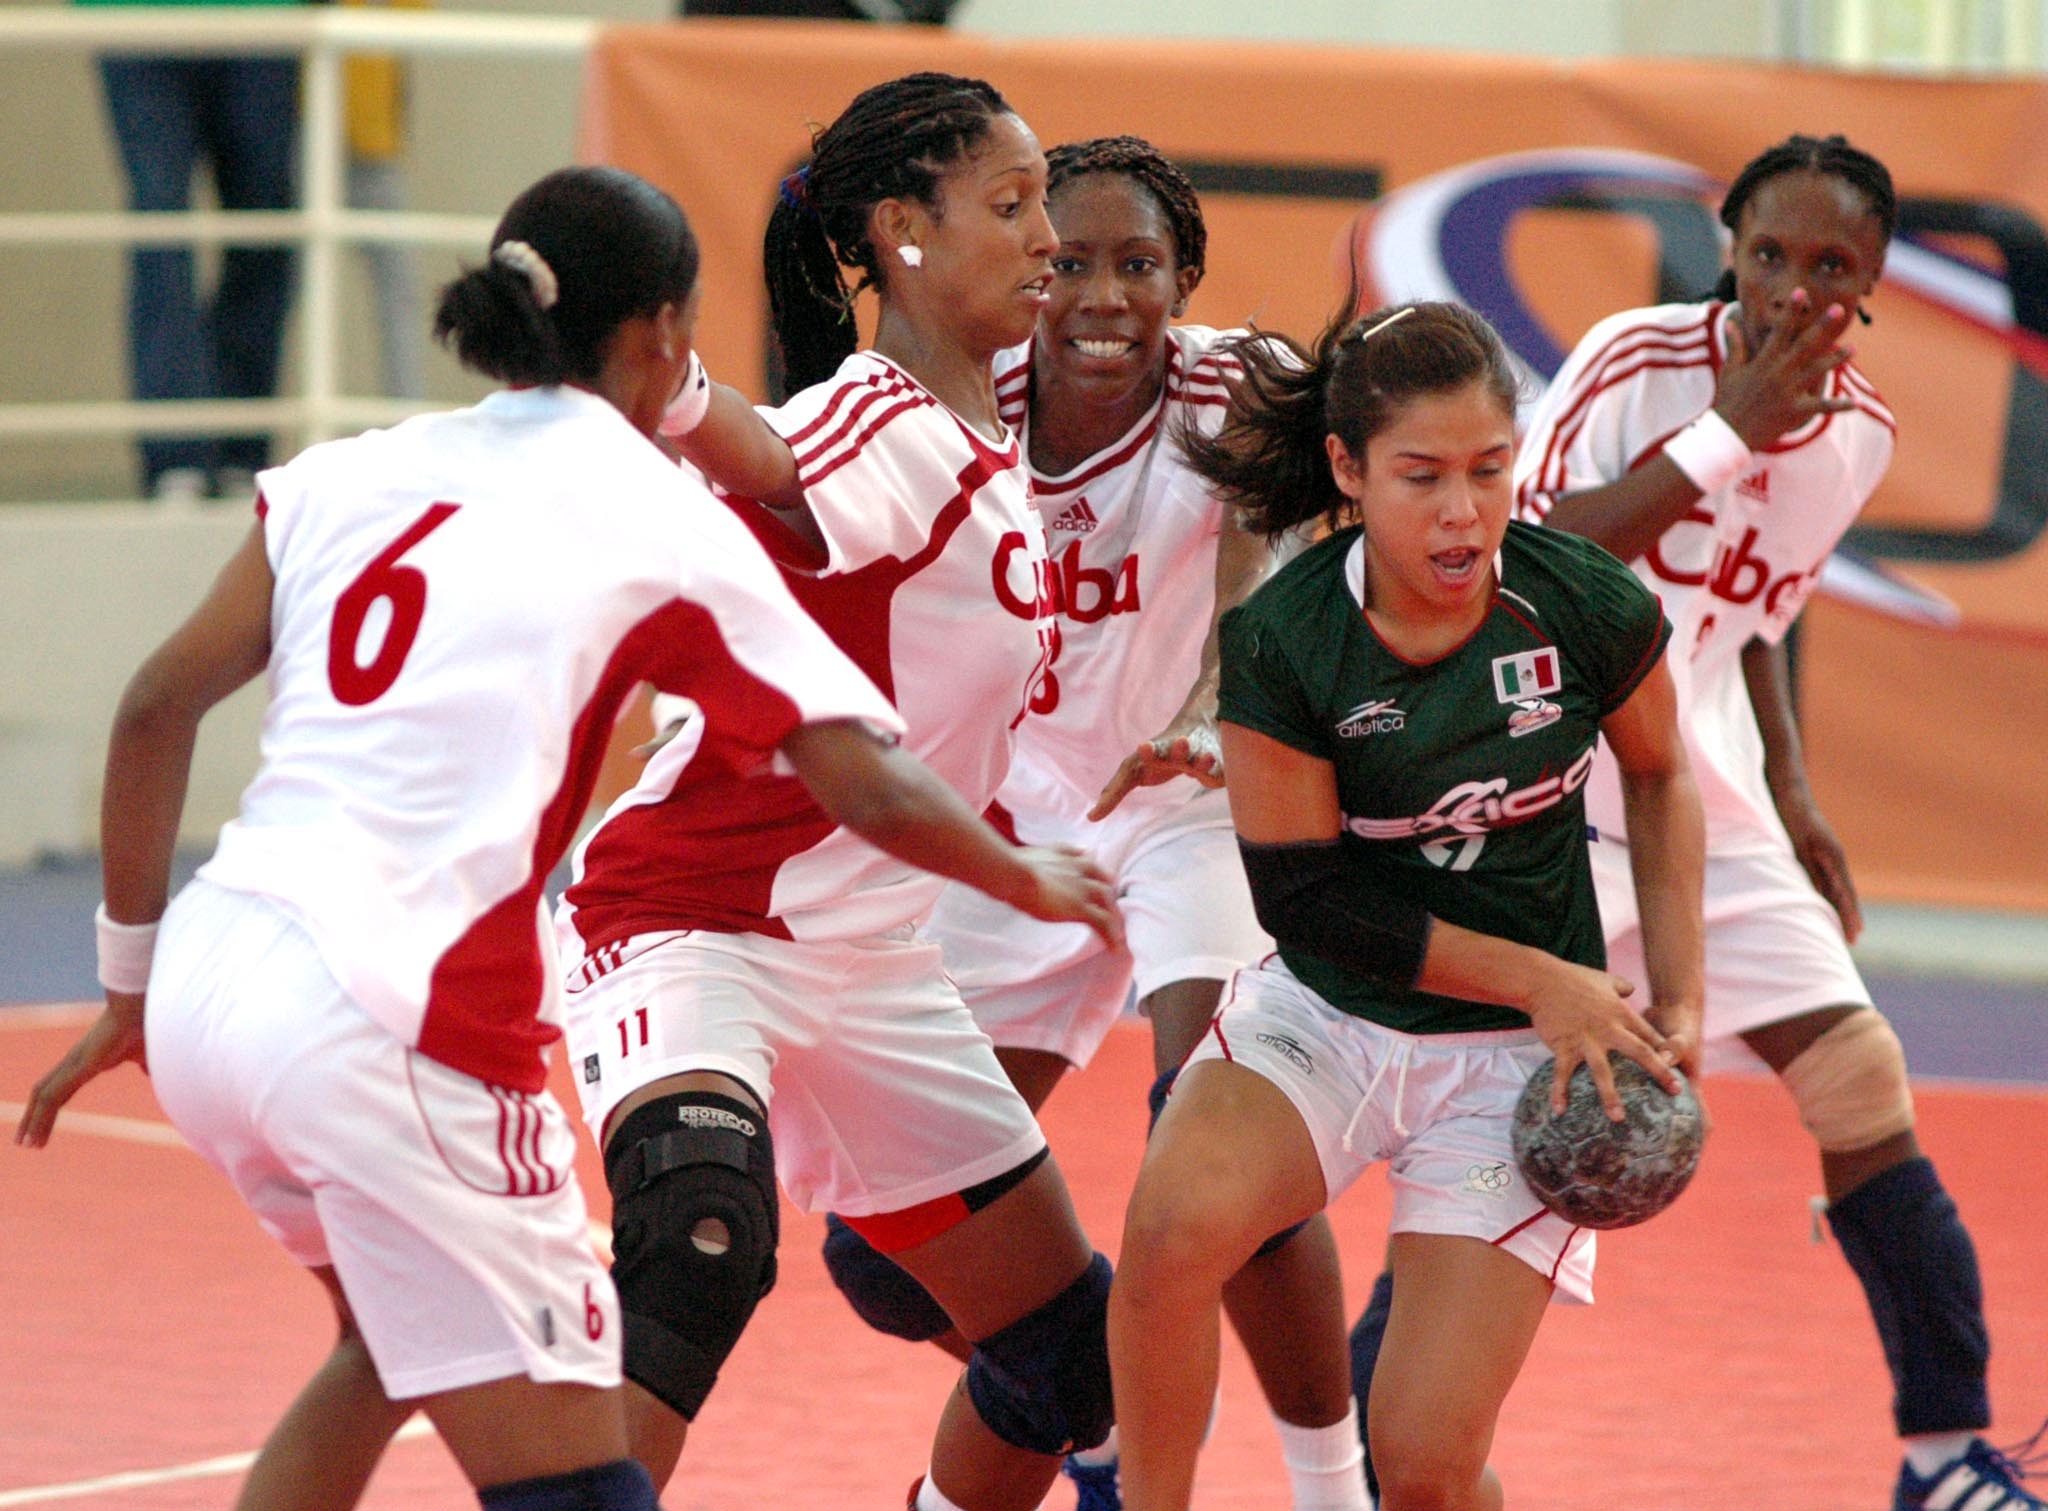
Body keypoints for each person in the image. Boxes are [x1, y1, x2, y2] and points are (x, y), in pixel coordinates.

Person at [13, 163, 1109, 1511]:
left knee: (387, 1344)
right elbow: (866, 780)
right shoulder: (656, 512)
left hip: (215, 973)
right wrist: (1021, 873)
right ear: (662, 335)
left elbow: (153, 706)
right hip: (398, 1018)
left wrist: (128, 980)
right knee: (583, 1479)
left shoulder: (354, 469)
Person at [1344, 133, 2043, 1511]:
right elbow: (1520, 563)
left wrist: (1792, 792)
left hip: (1698, 805)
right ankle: (1386, 1460)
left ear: (1873, 280)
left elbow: (1763, 615)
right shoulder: (1634, 360)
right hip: (1534, 805)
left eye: (1829, 265)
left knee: (1863, 1085)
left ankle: (1945, 1452)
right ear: (1730, 248)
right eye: (1769, 252)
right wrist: (1732, 429)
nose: (1791, 287)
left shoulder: (1862, 436)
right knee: (1480, 1158)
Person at [552, 73, 1122, 1511]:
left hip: (871, 957)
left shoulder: (994, 451)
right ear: (900, 232)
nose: (1047, 234)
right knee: (699, 1236)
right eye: (1011, 203)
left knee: (1068, 1362)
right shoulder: (883, 417)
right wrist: (666, 379)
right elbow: (771, 453)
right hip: (692, 914)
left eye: (1042, 196)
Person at [808, 134, 1366, 1511]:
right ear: (1031, 268)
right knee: (884, 1250)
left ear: (1186, 281)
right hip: (1006, 829)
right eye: (1075, 263)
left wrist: (1214, 704)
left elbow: (1253, 565)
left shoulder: (1236, 384)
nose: (1106, 296)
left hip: (1185, 801)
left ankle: (1334, 1485)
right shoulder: (949, 396)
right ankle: (1093, 1406)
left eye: (1143, 266)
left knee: (1218, 1127)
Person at [1106, 299, 1707, 1511]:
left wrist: (1682, 996)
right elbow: (1305, 900)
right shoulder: (1283, 639)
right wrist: (1542, 974)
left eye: (1490, 470)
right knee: (1169, 1238)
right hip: (1328, 1013)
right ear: (1347, 468)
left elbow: (1657, 772)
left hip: (1509, 1068)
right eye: (1421, 475)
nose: (1462, 511)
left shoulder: (1581, 603)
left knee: (1424, 1464)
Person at [77, 0, 300, 502]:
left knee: (266, 225)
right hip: (137, 21)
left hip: (264, 23)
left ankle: (242, 445)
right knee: (161, 227)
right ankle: (175, 453)